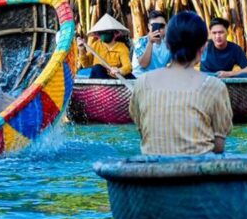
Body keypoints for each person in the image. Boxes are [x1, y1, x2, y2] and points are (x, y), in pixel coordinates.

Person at [129, 12, 233, 155]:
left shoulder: (142, 83)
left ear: (169, 45)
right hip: (197, 173)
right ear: (202, 48)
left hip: (153, 173)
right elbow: (219, 146)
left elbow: (143, 133)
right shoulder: (215, 86)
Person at [77, 13, 134, 79]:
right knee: (97, 67)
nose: (104, 34)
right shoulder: (96, 45)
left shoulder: (121, 47)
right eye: (102, 32)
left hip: (115, 78)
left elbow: (128, 66)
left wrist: (119, 71)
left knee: (130, 76)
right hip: (99, 78)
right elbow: (86, 64)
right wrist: (81, 49)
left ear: (115, 33)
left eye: (107, 32)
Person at [132, 10, 171, 76]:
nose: (158, 29)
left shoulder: (169, 44)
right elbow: (143, 64)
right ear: (149, 26)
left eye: (161, 26)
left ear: (166, 26)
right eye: (155, 25)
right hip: (139, 79)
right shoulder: (141, 42)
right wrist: (150, 42)